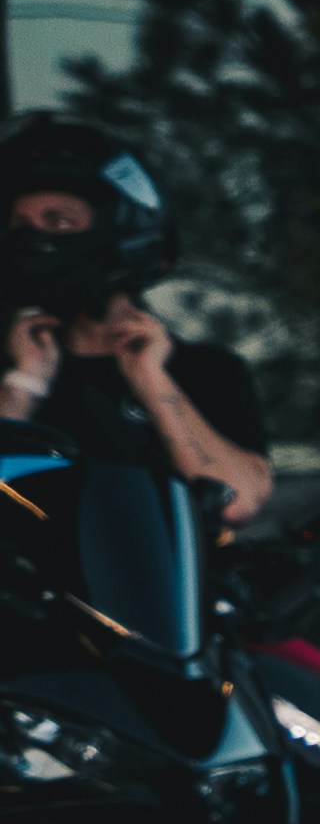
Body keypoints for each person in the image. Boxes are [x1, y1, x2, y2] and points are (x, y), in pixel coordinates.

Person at [0, 117, 274, 528]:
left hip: (168, 587)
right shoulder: (13, 368)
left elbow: (235, 501)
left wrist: (150, 379)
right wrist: (21, 391)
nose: (35, 239)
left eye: (58, 221)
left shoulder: (206, 371)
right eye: (22, 226)